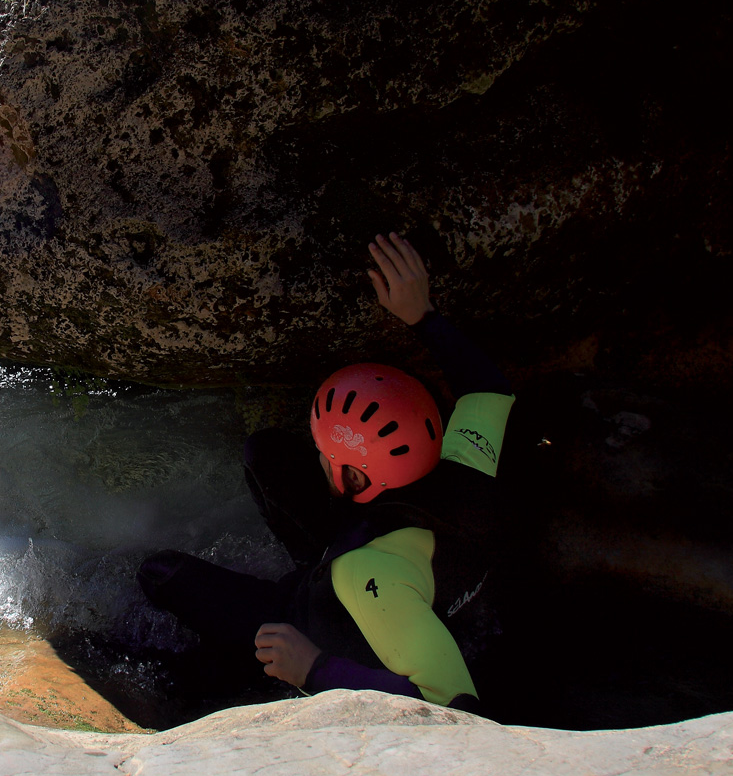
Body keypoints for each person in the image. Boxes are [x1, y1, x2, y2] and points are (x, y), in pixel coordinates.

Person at [138, 233, 519, 714]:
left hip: (329, 619)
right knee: (266, 453)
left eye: (324, 452)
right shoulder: (465, 469)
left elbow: (456, 705)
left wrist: (313, 669)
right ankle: (312, 565)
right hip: (407, 572)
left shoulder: (366, 573)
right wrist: (422, 314)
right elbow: (487, 388)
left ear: (354, 480)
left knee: (160, 574)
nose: (316, 454)